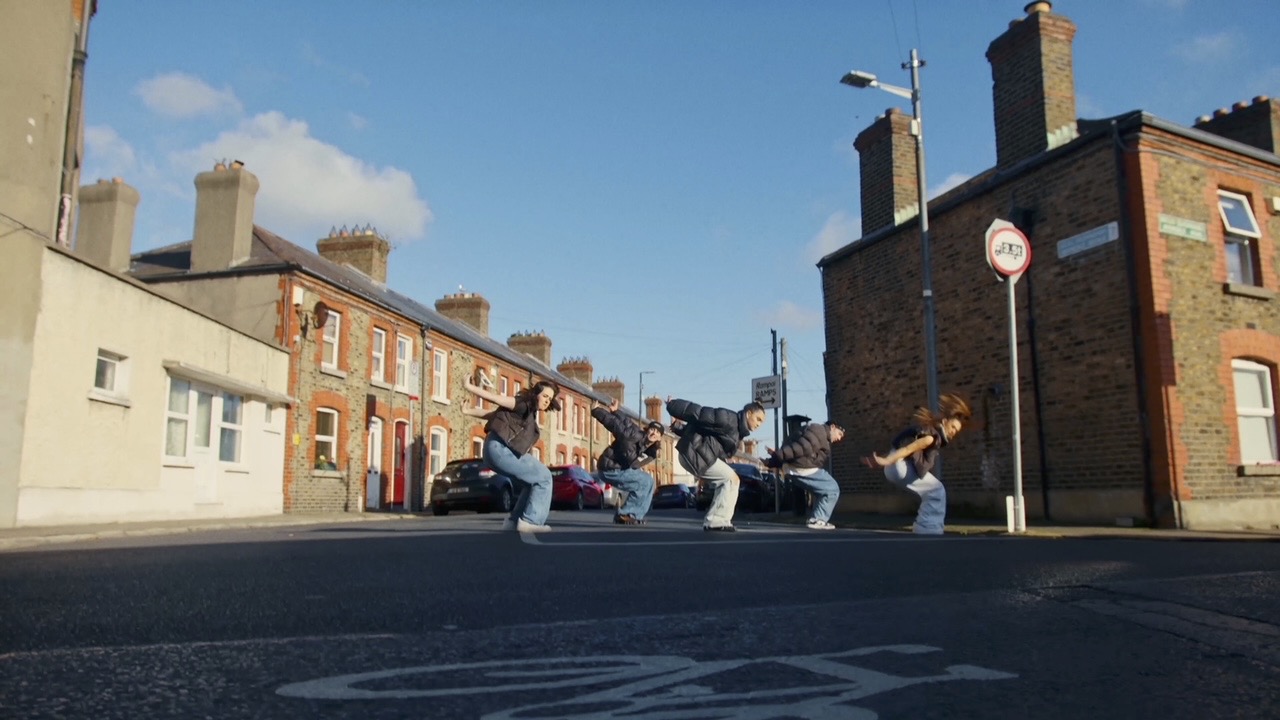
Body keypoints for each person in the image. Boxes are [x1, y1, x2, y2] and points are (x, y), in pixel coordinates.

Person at [861, 393, 972, 535]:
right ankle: (929, 529)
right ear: (944, 421)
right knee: (937, 490)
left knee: (931, 491)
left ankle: (925, 527)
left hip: (893, 467)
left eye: (957, 431)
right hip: (899, 467)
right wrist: (886, 461)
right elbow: (908, 449)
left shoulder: (926, 430)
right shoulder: (931, 438)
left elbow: (901, 447)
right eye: (953, 427)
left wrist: (883, 461)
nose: (953, 432)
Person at [463, 376, 560, 533]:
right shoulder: (523, 404)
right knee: (544, 477)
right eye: (545, 396)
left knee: (532, 481)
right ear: (536, 394)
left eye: (550, 398)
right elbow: (497, 399)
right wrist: (470, 387)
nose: (547, 401)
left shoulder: (525, 412)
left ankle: (514, 521)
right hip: (500, 449)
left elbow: (492, 414)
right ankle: (532, 521)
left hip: (492, 451)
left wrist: (468, 411)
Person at [665, 396, 767, 532]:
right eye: (758, 419)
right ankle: (715, 521)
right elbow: (699, 413)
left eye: (762, 422)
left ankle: (719, 520)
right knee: (731, 479)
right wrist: (673, 405)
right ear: (748, 413)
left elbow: (703, 430)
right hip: (693, 454)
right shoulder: (729, 418)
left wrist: (679, 428)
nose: (759, 424)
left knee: (728, 480)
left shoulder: (737, 432)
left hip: (696, 454)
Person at [591, 398, 663, 525]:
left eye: (657, 432)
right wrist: (597, 411)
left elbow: (626, 421)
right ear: (647, 430)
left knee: (648, 482)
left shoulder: (650, 448)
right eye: (652, 430)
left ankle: (634, 515)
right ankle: (626, 513)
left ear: (659, 437)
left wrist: (616, 411)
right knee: (645, 481)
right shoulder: (633, 435)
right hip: (610, 468)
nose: (654, 433)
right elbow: (614, 424)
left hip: (620, 469)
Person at [763, 421, 845, 530]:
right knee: (832, 489)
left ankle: (816, 519)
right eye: (839, 434)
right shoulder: (819, 431)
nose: (839, 439)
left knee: (825, 490)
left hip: (797, 468)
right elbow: (800, 448)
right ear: (833, 427)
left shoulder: (820, 435)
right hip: (802, 468)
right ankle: (818, 519)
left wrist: (775, 461)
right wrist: (777, 457)